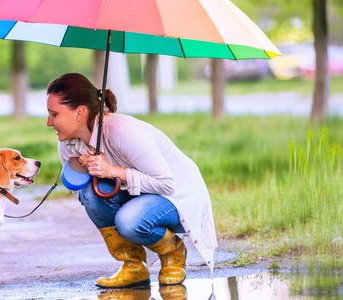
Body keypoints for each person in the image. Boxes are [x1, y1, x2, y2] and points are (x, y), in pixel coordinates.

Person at [46, 73, 217, 288]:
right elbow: (81, 195)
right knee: (89, 192)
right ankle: (134, 265)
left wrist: (113, 170)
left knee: (129, 221)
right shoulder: (68, 144)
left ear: (79, 112)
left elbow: (166, 183)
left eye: (54, 114)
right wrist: (84, 171)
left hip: (175, 197)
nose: (48, 122)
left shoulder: (122, 130)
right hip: (140, 195)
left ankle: (173, 251)